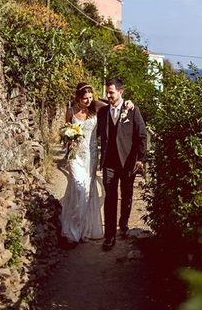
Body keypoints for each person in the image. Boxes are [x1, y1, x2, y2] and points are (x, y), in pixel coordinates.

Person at [97, 78, 147, 251]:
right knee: (110, 197)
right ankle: (109, 236)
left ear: (120, 92)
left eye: (111, 92)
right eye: (107, 92)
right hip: (109, 162)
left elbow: (142, 135)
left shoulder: (132, 110)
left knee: (126, 195)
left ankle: (123, 224)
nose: (108, 95)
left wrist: (140, 159)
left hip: (128, 162)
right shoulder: (102, 112)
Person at [60, 83, 105, 244]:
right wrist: (68, 141)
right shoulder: (70, 112)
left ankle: (84, 229)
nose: (88, 101)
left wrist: (129, 103)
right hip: (75, 157)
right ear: (78, 98)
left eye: (91, 97)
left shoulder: (96, 108)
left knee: (88, 191)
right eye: (85, 98)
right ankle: (72, 230)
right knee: (79, 188)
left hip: (91, 157)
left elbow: (113, 106)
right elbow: (64, 132)